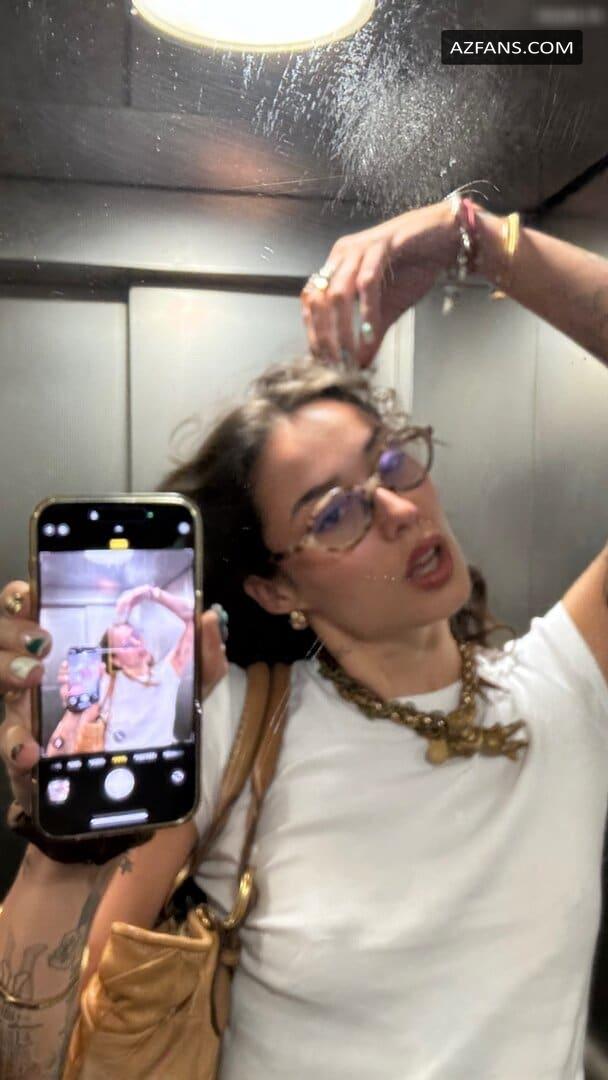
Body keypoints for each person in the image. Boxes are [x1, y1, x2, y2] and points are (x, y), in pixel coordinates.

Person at [0, 194, 607, 1080]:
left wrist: (478, 240)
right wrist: (62, 847)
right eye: (334, 513)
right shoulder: (234, 731)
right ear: (274, 587)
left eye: (392, 461)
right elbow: (34, 1051)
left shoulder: (565, 683)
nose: (399, 510)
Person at [46, 584, 194, 755]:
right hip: (117, 765)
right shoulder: (105, 685)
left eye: (136, 636)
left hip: (160, 763)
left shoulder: (167, 674)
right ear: (115, 659)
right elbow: (56, 751)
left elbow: (193, 619)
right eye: (127, 644)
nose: (137, 643)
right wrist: (73, 712)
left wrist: (149, 593)